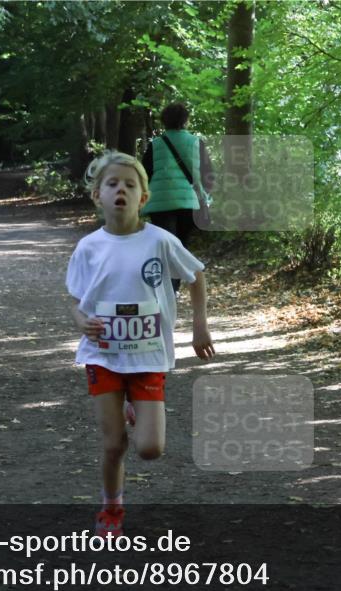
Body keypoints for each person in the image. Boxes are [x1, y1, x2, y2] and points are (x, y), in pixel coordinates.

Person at [66, 151, 216, 537]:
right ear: (98, 195)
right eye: (113, 184)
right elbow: (76, 301)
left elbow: (196, 276)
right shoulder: (88, 248)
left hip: (148, 356)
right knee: (114, 444)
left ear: (143, 198)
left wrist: (199, 327)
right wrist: (82, 321)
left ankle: (135, 402)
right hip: (103, 355)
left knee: (150, 449)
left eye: (130, 185)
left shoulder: (160, 241)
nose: (122, 190)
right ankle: (111, 508)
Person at [140, 102, 214, 294]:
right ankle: (174, 289)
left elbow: (144, 173)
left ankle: (168, 289)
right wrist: (205, 195)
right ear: (185, 120)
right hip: (188, 202)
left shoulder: (156, 144)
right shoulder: (196, 143)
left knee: (165, 246)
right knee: (180, 245)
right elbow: (208, 174)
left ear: (164, 121)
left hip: (160, 203)